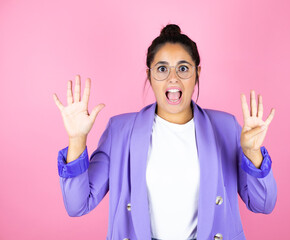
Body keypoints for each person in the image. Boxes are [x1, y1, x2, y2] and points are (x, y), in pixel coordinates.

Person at [53, 24, 277, 240]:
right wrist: (77, 139)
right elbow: (77, 204)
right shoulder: (120, 131)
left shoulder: (225, 127)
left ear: (197, 72)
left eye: (183, 68)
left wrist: (253, 153)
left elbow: (263, 204)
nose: (173, 78)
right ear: (150, 75)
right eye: (162, 69)